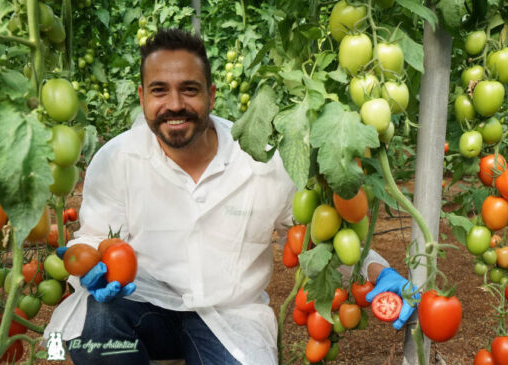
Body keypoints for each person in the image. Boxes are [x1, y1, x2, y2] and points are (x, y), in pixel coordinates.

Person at [45, 28, 417, 365]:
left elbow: (320, 239)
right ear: (142, 96)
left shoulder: (263, 160)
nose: (174, 104)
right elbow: (93, 239)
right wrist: (89, 268)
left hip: (230, 317)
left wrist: (375, 270)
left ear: (212, 94)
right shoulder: (116, 159)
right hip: (143, 306)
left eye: (189, 89)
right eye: (159, 90)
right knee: (95, 330)